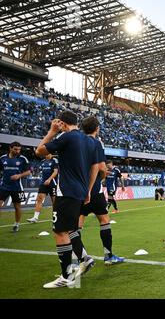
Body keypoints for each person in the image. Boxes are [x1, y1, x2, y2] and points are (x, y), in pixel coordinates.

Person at [36, 111, 99, 289]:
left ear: (62, 124)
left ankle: (67, 276)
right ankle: (85, 259)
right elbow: (94, 167)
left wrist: (51, 131)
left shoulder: (66, 136)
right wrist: (88, 190)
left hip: (67, 191)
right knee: (71, 227)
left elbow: (39, 151)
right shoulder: (90, 141)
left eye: (59, 124)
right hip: (80, 190)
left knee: (60, 232)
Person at [79, 116, 124, 266]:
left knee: (77, 225)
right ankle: (108, 256)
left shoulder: (76, 141)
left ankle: (82, 258)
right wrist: (102, 177)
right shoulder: (97, 143)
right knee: (104, 220)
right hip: (95, 190)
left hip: (78, 189)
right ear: (97, 128)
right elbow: (101, 167)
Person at [0, 141, 31, 232]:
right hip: (4, 186)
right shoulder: (2, 158)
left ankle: (17, 224)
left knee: (17, 207)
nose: (18, 151)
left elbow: (29, 171)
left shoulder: (23, 159)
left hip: (17, 187)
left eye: (19, 149)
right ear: (10, 148)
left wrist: (19, 176)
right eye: (15, 149)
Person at [27, 154, 58, 223]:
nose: (46, 154)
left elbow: (55, 172)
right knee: (39, 199)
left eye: (47, 153)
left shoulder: (54, 161)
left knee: (55, 202)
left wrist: (49, 179)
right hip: (43, 184)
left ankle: (56, 218)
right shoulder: (43, 161)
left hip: (53, 183)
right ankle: (35, 217)